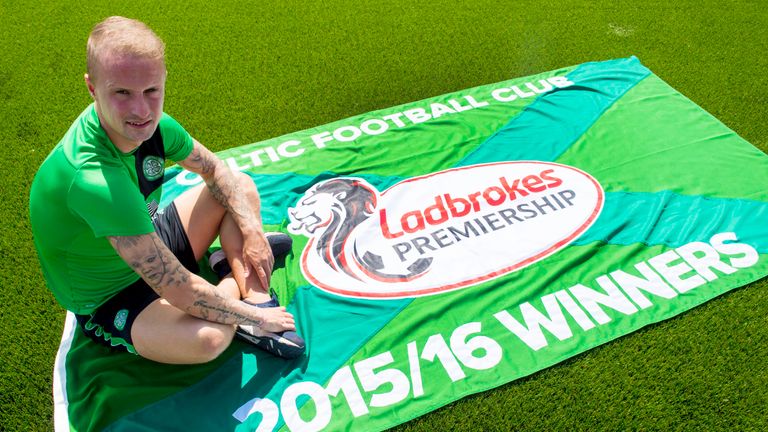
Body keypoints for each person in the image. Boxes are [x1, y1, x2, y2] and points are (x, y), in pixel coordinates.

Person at [29, 16, 305, 364]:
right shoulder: (93, 179)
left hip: (149, 236)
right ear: (92, 88)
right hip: (111, 294)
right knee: (209, 340)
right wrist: (257, 319)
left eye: (151, 91)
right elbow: (177, 287)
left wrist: (251, 231)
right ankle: (236, 281)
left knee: (240, 188)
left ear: (163, 81)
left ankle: (253, 290)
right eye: (122, 93)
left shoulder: (154, 125)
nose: (142, 110)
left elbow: (215, 170)